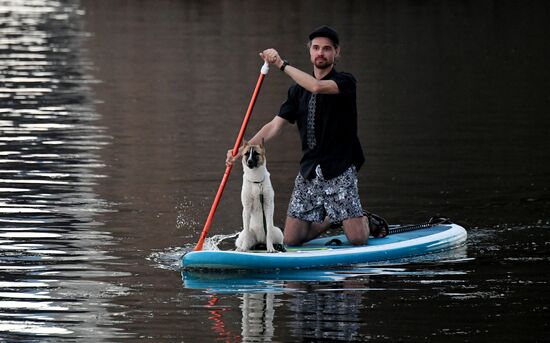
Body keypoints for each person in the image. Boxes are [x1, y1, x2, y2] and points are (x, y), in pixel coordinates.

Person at [227, 25, 381, 246]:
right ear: (310, 51)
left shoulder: (346, 82)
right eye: (316, 48)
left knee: (357, 239)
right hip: (309, 170)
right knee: (291, 240)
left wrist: (282, 64)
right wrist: (241, 149)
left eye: (327, 49)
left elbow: (317, 87)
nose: (321, 53)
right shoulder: (296, 91)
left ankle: (362, 219)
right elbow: (274, 126)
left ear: (337, 52)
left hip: (340, 167)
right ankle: (331, 219)